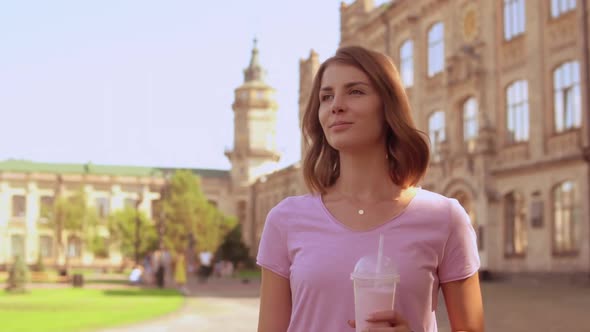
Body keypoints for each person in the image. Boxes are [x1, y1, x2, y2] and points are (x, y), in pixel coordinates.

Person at [256, 46, 484, 332]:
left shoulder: (445, 218)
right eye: (326, 96)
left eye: (355, 91)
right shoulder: (286, 219)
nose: (336, 105)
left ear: (388, 106)